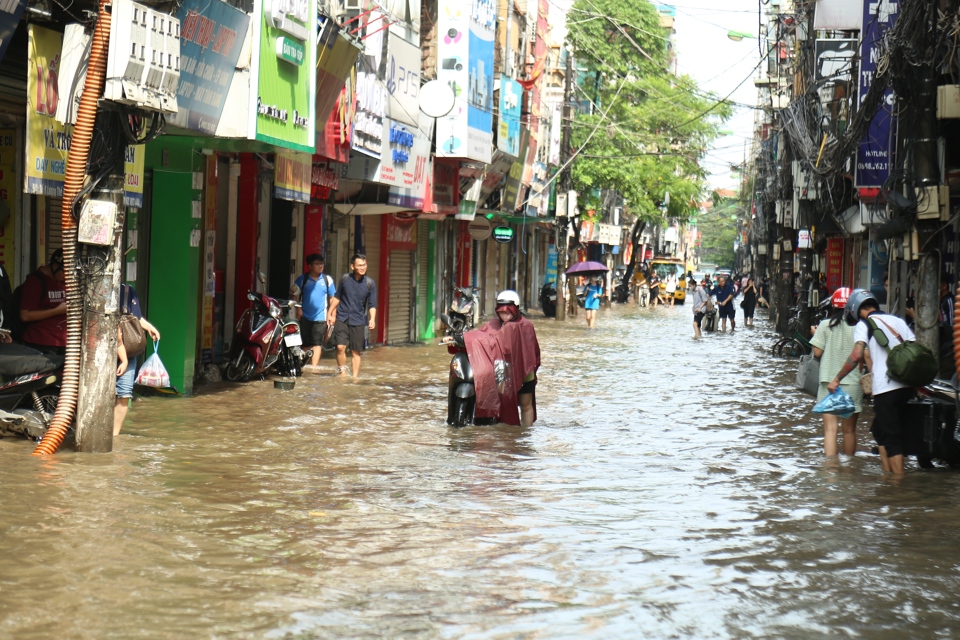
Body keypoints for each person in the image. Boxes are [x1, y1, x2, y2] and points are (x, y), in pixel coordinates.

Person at [828, 289, 915, 475]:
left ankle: (897, 484)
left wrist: (837, 379)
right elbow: (914, 347)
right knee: (879, 430)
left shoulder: (864, 324)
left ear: (855, 309)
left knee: (891, 437)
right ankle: (888, 473)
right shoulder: (898, 321)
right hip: (907, 386)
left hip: (886, 388)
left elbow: (857, 354)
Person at [462, 290, 540, 427]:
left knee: (525, 405)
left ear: (515, 309)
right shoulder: (492, 324)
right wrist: (461, 338)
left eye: (508, 311)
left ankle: (525, 435)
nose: (505, 315)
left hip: (524, 370)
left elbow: (532, 350)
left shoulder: (526, 326)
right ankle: (505, 435)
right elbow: (479, 337)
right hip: (502, 371)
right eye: (502, 312)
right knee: (503, 404)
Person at [810, 288, 863, 457]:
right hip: (853, 383)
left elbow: (817, 353)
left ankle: (831, 470)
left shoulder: (825, 325)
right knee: (849, 431)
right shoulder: (860, 328)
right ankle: (849, 470)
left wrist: (815, 333)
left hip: (828, 383)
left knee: (830, 431)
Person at [115, 283, 160, 436]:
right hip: (107, 353)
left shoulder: (128, 291)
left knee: (124, 393)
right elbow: (117, 335)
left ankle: (114, 437)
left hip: (127, 352)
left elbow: (135, 318)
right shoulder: (100, 291)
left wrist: (149, 327)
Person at [327, 254, 377, 378]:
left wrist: (372, 319)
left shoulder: (370, 283)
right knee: (340, 347)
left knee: (355, 351)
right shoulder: (345, 279)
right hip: (342, 318)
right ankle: (342, 372)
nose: (362, 267)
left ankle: (354, 378)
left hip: (358, 320)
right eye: (359, 265)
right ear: (352, 266)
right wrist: (330, 313)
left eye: (364, 265)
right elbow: (337, 297)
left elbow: (372, 304)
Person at [291, 254, 336, 373]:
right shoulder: (302, 279)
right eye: (317, 264)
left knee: (317, 343)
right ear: (310, 266)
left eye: (321, 264)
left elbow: (333, 299)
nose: (320, 266)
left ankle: (314, 368)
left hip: (321, 318)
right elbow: (294, 295)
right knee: (305, 343)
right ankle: (305, 365)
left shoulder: (327, 280)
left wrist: (332, 315)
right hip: (305, 316)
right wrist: (298, 309)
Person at [20, 249, 67, 354]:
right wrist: (57, 311)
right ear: (55, 266)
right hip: (42, 342)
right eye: (65, 272)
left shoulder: (62, 282)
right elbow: (25, 315)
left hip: (63, 342)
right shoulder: (35, 281)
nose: (67, 276)